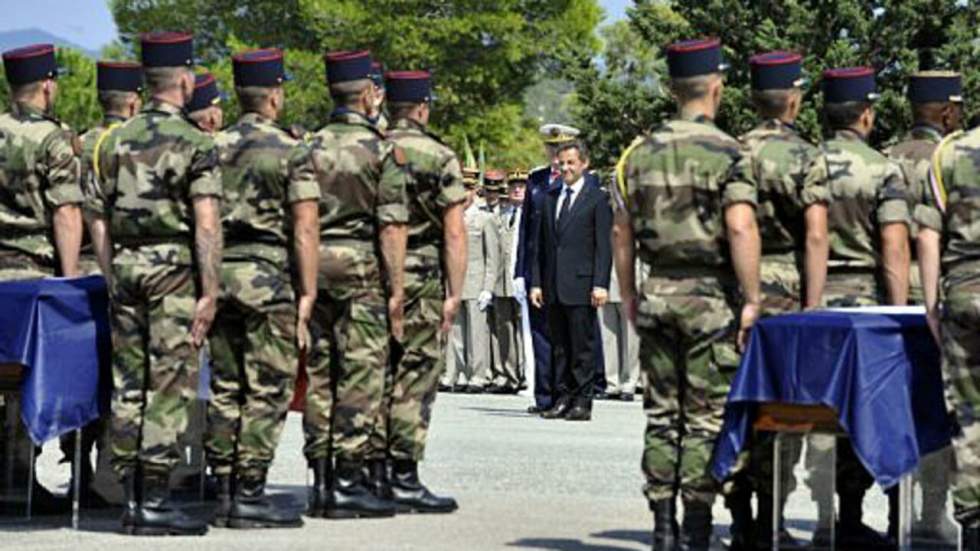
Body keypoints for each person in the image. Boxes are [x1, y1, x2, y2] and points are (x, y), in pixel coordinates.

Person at [612, 38, 761, 550]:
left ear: (672, 89)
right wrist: (753, 297)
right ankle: (696, 525)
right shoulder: (729, 152)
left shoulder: (638, 153)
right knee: (702, 417)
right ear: (716, 88)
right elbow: (740, 228)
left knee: (660, 413)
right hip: (708, 297)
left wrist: (629, 293)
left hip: (656, 291)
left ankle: (661, 524)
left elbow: (621, 232)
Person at [94, 31, 222, 536]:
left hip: (125, 270)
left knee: (129, 384)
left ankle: (128, 495)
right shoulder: (195, 143)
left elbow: (96, 216)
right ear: (186, 81)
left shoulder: (114, 139)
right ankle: (154, 497)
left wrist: (109, 272)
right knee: (170, 384)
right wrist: (209, 291)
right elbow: (207, 223)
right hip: (174, 274)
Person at [289, 49, 410, 519]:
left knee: (320, 372)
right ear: (366, 94)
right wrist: (396, 289)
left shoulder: (308, 146)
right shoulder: (381, 150)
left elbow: (298, 218)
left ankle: (319, 475)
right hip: (361, 268)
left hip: (314, 266)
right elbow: (392, 227)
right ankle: (347, 479)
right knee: (361, 373)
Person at [204, 48, 318, 529]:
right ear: (273, 94)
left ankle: (225, 484)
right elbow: (305, 225)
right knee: (267, 387)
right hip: (268, 275)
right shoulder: (291, 149)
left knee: (225, 385)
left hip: (220, 271)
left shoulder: (210, 144)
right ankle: (250, 489)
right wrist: (308, 291)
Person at [726, 51, 831, 550]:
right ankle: (772, 515)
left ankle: (739, 513)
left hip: (737, 288)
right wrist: (813, 306)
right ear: (793, 98)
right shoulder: (806, 156)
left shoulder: (732, 151)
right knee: (781, 409)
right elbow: (815, 236)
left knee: (738, 404)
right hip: (787, 289)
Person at [806, 66, 911, 548]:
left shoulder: (807, 162)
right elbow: (893, 246)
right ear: (866, 115)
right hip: (867, 303)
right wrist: (901, 309)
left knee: (818, 413)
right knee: (870, 413)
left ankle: (824, 516)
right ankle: (860, 515)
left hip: (815, 300)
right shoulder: (883, 168)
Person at [370, 69, 467, 513]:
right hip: (422, 276)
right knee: (414, 376)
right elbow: (454, 234)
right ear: (423, 107)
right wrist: (454, 292)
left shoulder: (370, 149)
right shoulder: (439, 156)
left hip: (373, 274)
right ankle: (404, 475)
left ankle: (367, 471)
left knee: (374, 374)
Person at [0, 42, 84, 514]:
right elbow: (67, 213)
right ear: (47, 85)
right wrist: (69, 282)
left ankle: (9, 475)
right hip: (31, 275)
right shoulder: (53, 139)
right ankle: (25, 474)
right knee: (37, 377)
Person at [886, 70, 963, 545]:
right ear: (949, 111)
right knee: (947, 412)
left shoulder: (887, 157)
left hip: (894, 296)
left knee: (899, 411)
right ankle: (933, 513)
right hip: (944, 294)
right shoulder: (955, 158)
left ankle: (896, 513)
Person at [68, 59, 144, 508]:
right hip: (119, 269)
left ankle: (76, 463)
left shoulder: (79, 144)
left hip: (77, 274)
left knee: (79, 374)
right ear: (133, 100)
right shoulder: (130, 144)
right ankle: (112, 473)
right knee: (122, 375)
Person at [919, 73, 980, 551]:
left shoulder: (949, 154)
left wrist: (930, 303)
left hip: (963, 293)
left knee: (970, 413)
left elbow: (928, 233)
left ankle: (975, 525)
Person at [530, 142, 611, 422]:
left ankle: (582, 401)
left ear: (584, 164)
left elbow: (604, 246)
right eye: (561, 163)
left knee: (582, 347)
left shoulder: (597, 199)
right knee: (560, 346)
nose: (565, 168)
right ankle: (562, 398)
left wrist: (600, 283)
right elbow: (541, 246)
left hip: (581, 284)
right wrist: (536, 282)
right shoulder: (550, 196)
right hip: (553, 285)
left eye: (571, 163)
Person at [517, 124, 575, 414]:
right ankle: (544, 396)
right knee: (540, 334)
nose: (554, 154)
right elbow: (526, 228)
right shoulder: (536, 179)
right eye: (551, 148)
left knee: (563, 335)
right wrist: (519, 270)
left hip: (564, 269)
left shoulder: (576, 181)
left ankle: (565, 394)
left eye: (560, 149)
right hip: (536, 268)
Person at [444, 172, 499, 393]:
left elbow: (492, 257)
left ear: (474, 191)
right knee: (455, 331)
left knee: (476, 333)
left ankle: (477, 375)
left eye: (467, 189)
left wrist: (488, 287)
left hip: (476, 281)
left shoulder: (484, 218)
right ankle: (456, 373)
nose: (463, 194)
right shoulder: (450, 217)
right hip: (454, 281)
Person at [488, 170, 528, 394]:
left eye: (521, 186)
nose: (517, 189)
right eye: (513, 186)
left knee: (524, 330)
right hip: (502, 282)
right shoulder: (500, 217)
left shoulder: (533, 216)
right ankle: (510, 375)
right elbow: (493, 255)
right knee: (505, 330)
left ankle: (525, 373)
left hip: (523, 282)